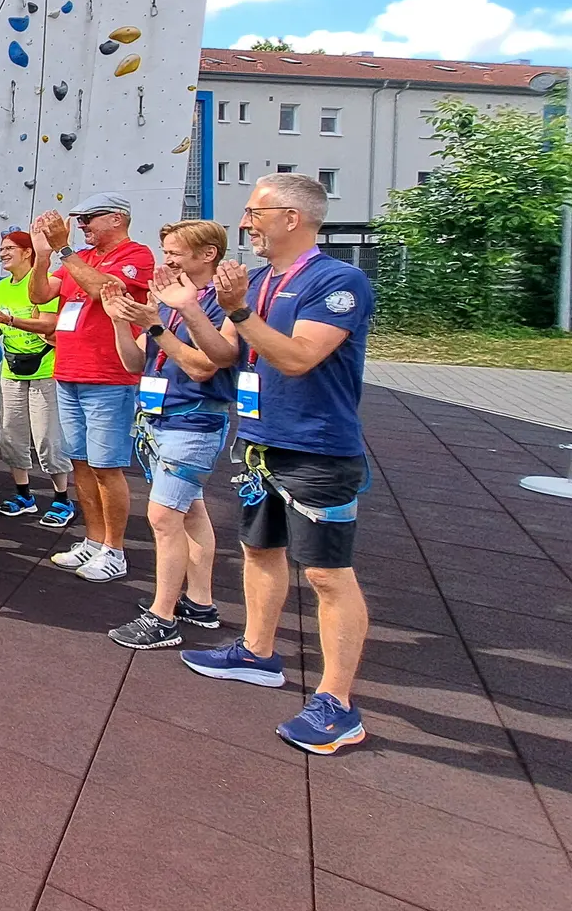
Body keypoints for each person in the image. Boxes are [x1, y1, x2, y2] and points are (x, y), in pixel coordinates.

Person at [184, 175, 375, 754]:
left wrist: (239, 310)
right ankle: (257, 651)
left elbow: (296, 358)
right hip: (262, 441)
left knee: (324, 573)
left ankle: (338, 703)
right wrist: (185, 309)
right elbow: (219, 357)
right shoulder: (261, 280)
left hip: (317, 449)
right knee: (258, 550)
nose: (246, 222)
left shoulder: (337, 281)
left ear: (292, 217)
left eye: (254, 211)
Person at [102, 221, 238, 649]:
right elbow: (133, 363)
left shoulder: (219, 305)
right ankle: (199, 603)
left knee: (163, 517)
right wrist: (120, 323)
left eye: (176, 251)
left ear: (208, 254)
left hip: (194, 421)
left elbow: (204, 366)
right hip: (164, 419)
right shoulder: (172, 302)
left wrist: (158, 326)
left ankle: (161, 618)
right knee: (190, 510)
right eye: (166, 250)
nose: (168, 259)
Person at [26, 193, 155, 583]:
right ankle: (94, 540)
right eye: (79, 221)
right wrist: (42, 256)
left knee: (106, 465)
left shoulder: (137, 255)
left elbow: (103, 291)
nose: (82, 226)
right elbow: (39, 294)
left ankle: (115, 548)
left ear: (117, 218)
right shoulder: (80, 259)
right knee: (80, 462)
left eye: (89, 219)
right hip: (69, 372)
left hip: (108, 376)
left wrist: (64, 249)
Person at [0, 231, 74, 527]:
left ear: (28, 252)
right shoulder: (0, 288)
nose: (2, 253)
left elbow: (48, 324)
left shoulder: (42, 282)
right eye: (0, 249)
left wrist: (9, 320)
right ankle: (24, 494)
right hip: (12, 369)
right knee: (11, 435)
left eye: (8, 248)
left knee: (47, 437)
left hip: (44, 369)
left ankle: (62, 498)